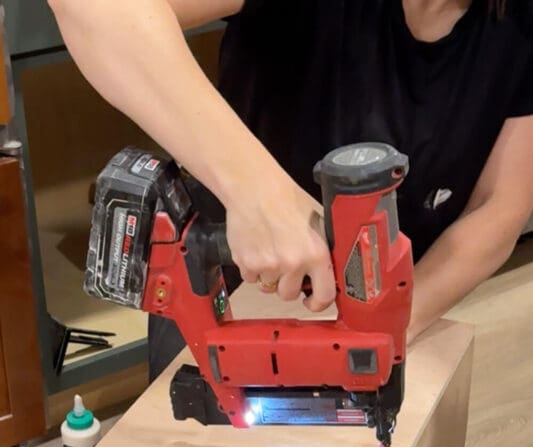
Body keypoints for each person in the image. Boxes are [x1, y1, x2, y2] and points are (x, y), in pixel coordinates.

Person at [48, 0, 533, 379]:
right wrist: (256, 191)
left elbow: (500, 207)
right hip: (226, 296)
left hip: (386, 314)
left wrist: (381, 334)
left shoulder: (519, 27)